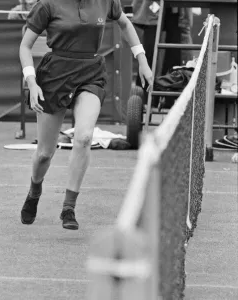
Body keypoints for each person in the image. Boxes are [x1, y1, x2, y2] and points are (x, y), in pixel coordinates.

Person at [19, 0, 152, 230]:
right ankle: (34, 190)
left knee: (84, 137)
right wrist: (32, 83)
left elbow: (125, 24)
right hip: (55, 75)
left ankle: (68, 208)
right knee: (44, 154)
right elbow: (25, 46)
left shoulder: (106, 1)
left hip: (90, 73)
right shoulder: (47, 4)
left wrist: (142, 60)